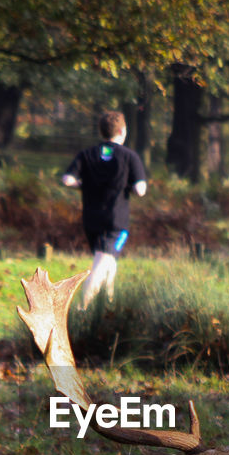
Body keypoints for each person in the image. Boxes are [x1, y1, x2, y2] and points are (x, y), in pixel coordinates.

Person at [60, 111, 147, 308]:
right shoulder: (129, 156)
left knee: (109, 264)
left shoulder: (87, 154)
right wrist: (131, 188)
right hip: (116, 223)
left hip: (91, 220)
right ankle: (83, 309)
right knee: (101, 265)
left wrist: (84, 185)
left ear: (101, 131)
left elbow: (67, 179)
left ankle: (106, 311)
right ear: (122, 130)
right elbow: (141, 190)